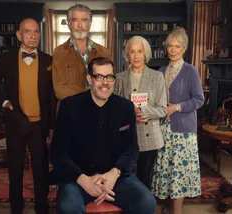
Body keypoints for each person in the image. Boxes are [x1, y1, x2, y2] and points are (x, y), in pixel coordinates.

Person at [50, 57, 156, 214]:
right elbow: (57, 153)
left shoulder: (125, 107)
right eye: (98, 77)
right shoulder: (69, 106)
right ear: (89, 79)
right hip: (78, 177)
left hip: (115, 177)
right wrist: (84, 180)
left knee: (147, 202)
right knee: (68, 207)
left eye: (109, 77)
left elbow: (132, 148)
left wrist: (114, 174)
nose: (105, 83)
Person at [0, 18, 57, 214]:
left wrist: (51, 127)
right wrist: (5, 102)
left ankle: (42, 207)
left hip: (39, 125)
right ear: (18, 35)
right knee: (15, 168)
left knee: (41, 168)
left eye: (36, 32)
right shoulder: (6, 59)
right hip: (15, 122)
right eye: (27, 32)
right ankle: (16, 207)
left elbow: (52, 97)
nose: (33, 36)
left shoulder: (48, 60)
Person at [151, 27, 205, 214]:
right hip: (163, 128)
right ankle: (169, 205)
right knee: (167, 171)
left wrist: (175, 107)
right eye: (170, 46)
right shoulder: (161, 70)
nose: (173, 50)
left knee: (179, 173)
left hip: (183, 130)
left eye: (177, 46)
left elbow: (199, 99)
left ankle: (177, 211)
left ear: (184, 49)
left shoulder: (190, 71)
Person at [114, 36, 167, 189]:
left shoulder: (157, 77)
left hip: (150, 136)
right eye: (132, 51)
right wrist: (129, 114)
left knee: (145, 179)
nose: (136, 56)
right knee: (124, 177)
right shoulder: (119, 78)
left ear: (146, 54)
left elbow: (163, 109)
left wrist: (143, 111)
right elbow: (115, 107)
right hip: (126, 135)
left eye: (140, 51)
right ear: (127, 55)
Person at [52, 3, 111, 102]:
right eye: (75, 20)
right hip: (71, 111)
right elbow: (59, 89)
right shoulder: (60, 52)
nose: (80, 25)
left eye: (84, 20)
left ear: (90, 24)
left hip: (100, 109)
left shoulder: (104, 52)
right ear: (69, 23)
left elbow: (109, 82)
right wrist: (90, 96)